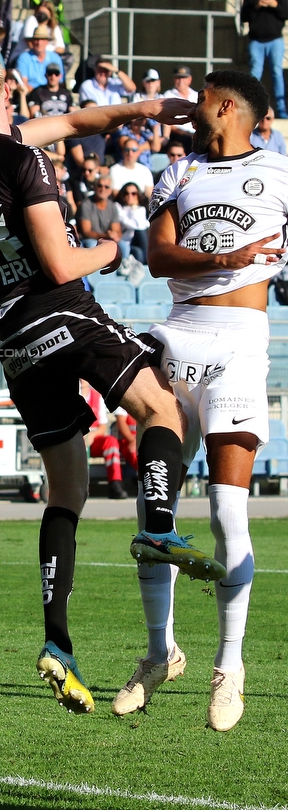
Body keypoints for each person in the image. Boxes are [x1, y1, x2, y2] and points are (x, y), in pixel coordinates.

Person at [0, 48, 218, 716]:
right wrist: (111, 248)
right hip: (60, 309)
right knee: (162, 408)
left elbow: (66, 123)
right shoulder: (21, 160)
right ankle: (157, 524)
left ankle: (58, 645)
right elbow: (64, 264)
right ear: (8, 89)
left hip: (13, 331)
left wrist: (140, 110)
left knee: (67, 489)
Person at [112, 70, 288, 732]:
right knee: (154, 513)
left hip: (240, 342)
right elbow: (158, 257)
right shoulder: (178, 173)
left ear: (225, 104)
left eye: (199, 98)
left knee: (225, 511)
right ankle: (159, 653)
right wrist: (229, 256)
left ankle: (230, 667)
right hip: (175, 337)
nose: (189, 109)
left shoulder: (278, 172)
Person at [241, 0, 288, 118]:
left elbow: (286, 13)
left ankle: (281, 109)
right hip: (256, 41)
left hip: (275, 40)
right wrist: (256, 6)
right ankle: (251, 106)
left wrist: (275, 5)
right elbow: (244, 17)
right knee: (254, 74)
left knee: (277, 73)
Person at [81, 381, 128, 499]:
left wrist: (92, 435)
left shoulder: (97, 396)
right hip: (75, 439)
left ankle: (115, 484)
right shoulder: (70, 394)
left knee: (111, 441)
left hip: (93, 440)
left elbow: (102, 426)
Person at [77, 174, 122, 248]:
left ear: (110, 191)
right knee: (92, 245)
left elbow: (116, 229)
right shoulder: (86, 205)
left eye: (106, 187)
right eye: (99, 186)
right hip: (90, 239)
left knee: (124, 247)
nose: (102, 189)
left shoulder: (112, 206)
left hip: (108, 239)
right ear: (94, 187)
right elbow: (86, 232)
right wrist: (106, 236)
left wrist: (116, 236)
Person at [115, 182, 149, 264]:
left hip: (137, 239)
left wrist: (134, 208)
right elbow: (126, 222)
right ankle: (149, 262)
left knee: (140, 232)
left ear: (138, 195)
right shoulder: (118, 206)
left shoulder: (141, 209)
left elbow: (142, 225)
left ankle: (148, 262)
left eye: (133, 193)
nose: (130, 196)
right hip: (125, 241)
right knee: (139, 251)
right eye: (126, 193)